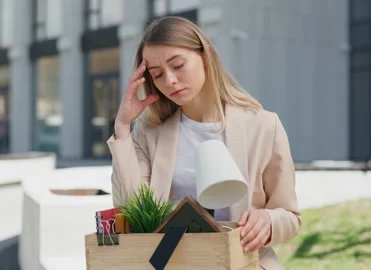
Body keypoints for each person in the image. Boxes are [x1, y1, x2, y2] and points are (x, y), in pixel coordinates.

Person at [107, 16, 301, 269]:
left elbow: (290, 216)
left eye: (177, 65)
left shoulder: (264, 126)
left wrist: (268, 220)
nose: (170, 80)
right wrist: (122, 128)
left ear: (205, 55)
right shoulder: (149, 131)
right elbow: (132, 213)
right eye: (157, 74)